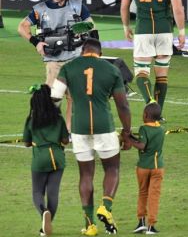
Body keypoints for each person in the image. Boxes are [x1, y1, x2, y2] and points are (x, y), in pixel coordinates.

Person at [50, 38, 132, 235]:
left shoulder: (69, 68)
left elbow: (54, 98)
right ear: (100, 53)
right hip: (104, 126)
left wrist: (58, 128)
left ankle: (89, 225)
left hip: (79, 128)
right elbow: (123, 105)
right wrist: (127, 132)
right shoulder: (112, 70)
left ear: (82, 51)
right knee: (112, 169)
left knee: (85, 175)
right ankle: (106, 206)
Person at [17, 0, 95, 131]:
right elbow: (22, 27)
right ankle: (50, 129)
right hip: (53, 61)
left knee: (74, 98)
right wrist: (36, 42)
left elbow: (91, 25)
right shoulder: (40, 9)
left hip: (75, 58)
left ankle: (68, 131)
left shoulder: (77, 5)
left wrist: (82, 31)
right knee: (53, 97)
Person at [120, 0, 185, 117]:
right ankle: (158, 113)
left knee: (142, 71)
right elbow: (178, 8)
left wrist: (126, 26)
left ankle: (150, 100)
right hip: (164, 29)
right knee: (162, 74)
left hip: (143, 29)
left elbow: (124, 6)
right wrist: (181, 31)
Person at [23, 84, 69, 237]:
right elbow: (65, 140)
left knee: (37, 192)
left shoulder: (31, 120)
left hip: (40, 159)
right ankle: (45, 226)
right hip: (57, 157)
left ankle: (44, 213)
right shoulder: (58, 118)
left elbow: (27, 143)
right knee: (53, 194)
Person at [129, 102, 166, 235]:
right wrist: (134, 138)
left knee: (143, 193)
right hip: (158, 167)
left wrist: (129, 139)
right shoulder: (161, 130)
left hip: (143, 167)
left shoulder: (143, 128)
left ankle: (141, 222)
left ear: (146, 115)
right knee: (154, 195)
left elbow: (142, 145)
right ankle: (151, 225)